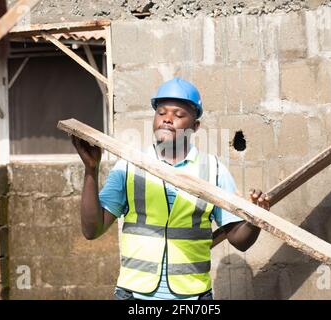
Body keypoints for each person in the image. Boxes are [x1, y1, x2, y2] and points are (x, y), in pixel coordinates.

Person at [72, 77, 270, 300]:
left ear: (195, 126)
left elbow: (239, 240)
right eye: (162, 112)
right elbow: (91, 230)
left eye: (178, 115)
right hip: (134, 295)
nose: (167, 120)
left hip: (193, 297)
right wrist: (91, 170)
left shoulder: (214, 170)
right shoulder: (129, 166)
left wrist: (256, 219)